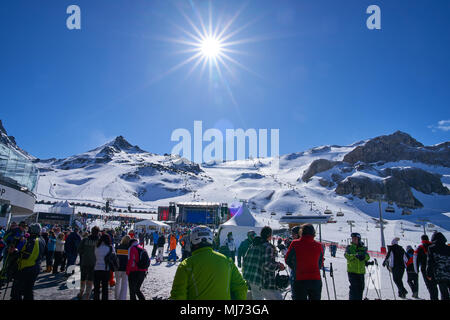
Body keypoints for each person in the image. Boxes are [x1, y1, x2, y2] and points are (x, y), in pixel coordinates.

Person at [170, 225, 247, 300]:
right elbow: (241, 287)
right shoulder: (227, 261)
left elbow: (178, 295)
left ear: (192, 241)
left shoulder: (186, 265)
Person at [243, 226, 285, 300]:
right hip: (263, 280)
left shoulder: (253, 245)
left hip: (252, 279)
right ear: (269, 235)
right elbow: (267, 265)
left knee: (257, 298)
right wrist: (278, 265)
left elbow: (245, 260)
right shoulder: (267, 247)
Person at [285, 224, 324, 300]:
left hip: (300, 279)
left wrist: (296, 268)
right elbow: (320, 262)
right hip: (315, 279)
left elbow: (287, 259)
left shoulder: (295, 243)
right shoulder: (319, 245)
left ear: (301, 232)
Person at [10, 223, 45, 300]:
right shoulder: (42, 239)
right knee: (28, 290)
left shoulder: (31, 240)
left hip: (26, 267)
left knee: (17, 291)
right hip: (36, 267)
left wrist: (15, 251)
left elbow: (26, 255)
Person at [344, 232, 369, 300]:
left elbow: (368, 256)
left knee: (361, 288)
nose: (354, 240)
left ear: (359, 239)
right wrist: (355, 256)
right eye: (353, 239)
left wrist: (363, 257)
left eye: (355, 239)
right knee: (354, 289)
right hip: (352, 272)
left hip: (361, 272)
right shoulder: (349, 247)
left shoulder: (363, 248)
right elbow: (346, 255)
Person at [77, 226, 100, 300]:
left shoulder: (85, 240)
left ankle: (81, 292)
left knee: (83, 278)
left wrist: (84, 254)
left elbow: (79, 249)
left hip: (84, 261)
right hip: (94, 262)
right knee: (90, 279)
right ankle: (87, 294)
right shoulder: (99, 241)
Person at [414, 234, 439, 300]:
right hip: (435, 268)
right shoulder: (433, 246)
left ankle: (434, 298)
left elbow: (416, 259)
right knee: (435, 285)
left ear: (422, 240)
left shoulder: (420, 248)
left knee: (430, 286)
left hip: (425, 269)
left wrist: (416, 270)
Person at [426, 232, 450, 300]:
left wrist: (429, 274)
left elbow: (430, 262)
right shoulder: (448, 248)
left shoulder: (431, 248)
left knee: (444, 293)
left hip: (440, 274)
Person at [93, 233, 114, 300]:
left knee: (96, 288)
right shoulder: (110, 247)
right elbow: (113, 257)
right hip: (105, 269)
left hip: (96, 268)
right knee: (105, 289)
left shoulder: (97, 247)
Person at [286, 226, 300, 300]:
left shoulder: (295, 243)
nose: (292, 236)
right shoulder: (292, 242)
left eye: (293, 234)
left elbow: (287, 259)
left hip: (297, 272)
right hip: (295, 269)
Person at [115, 235, 130, 300]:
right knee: (124, 284)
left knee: (117, 283)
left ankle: (116, 297)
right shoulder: (129, 248)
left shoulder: (118, 247)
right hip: (125, 268)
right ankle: (122, 298)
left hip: (118, 267)